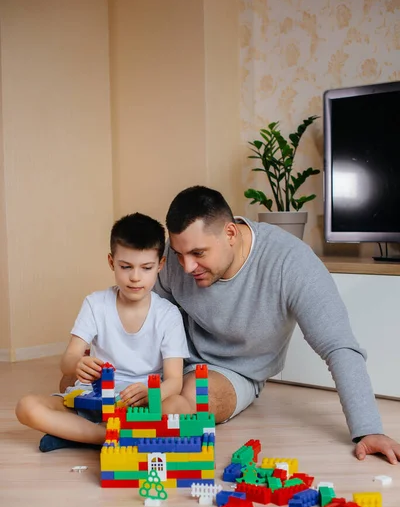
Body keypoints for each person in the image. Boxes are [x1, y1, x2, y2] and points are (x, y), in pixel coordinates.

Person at [154, 185, 400, 465]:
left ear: (230, 234)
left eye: (198, 253)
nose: (186, 266)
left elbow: (338, 345)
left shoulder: (290, 262)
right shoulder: (175, 259)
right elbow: (143, 312)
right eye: (178, 254)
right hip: (170, 359)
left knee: (192, 397)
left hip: (232, 371)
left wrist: (368, 429)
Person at [15, 213, 190, 452]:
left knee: (181, 407)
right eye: (125, 267)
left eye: (146, 268)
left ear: (160, 265)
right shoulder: (96, 304)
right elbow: (67, 361)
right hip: (94, 401)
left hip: (139, 405)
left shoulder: (168, 315)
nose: (135, 277)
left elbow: (174, 380)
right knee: (27, 407)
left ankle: (77, 434)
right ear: (111, 262)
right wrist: (78, 363)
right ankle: (105, 435)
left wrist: (152, 393)